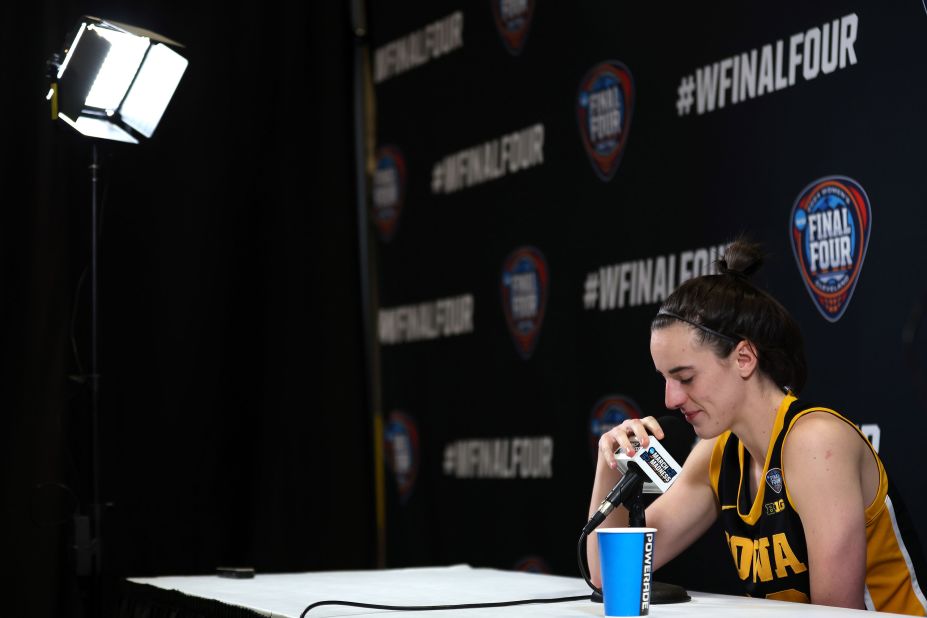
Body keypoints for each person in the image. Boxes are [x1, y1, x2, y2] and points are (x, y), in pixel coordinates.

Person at [587, 238, 926, 615]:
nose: (670, 399)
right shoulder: (719, 452)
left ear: (744, 358)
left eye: (685, 377)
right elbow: (607, 576)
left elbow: (836, 615)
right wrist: (613, 463)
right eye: (665, 378)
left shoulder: (815, 442)